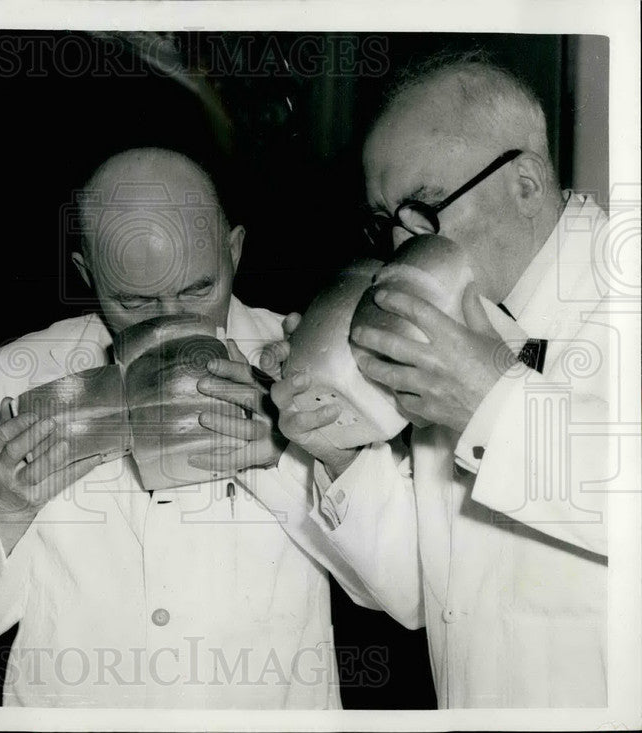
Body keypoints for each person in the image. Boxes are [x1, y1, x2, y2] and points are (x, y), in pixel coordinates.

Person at [0, 147, 377, 708]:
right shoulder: (17, 378)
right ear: (87, 273)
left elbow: (383, 592)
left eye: (196, 291)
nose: (172, 321)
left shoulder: (306, 364)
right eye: (135, 301)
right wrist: (6, 507)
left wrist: (287, 454)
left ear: (233, 251)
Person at [269, 57, 632, 707]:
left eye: (424, 209)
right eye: (386, 222)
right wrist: (338, 448)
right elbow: (422, 598)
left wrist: (491, 400)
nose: (402, 248)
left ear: (525, 182)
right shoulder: (451, 315)